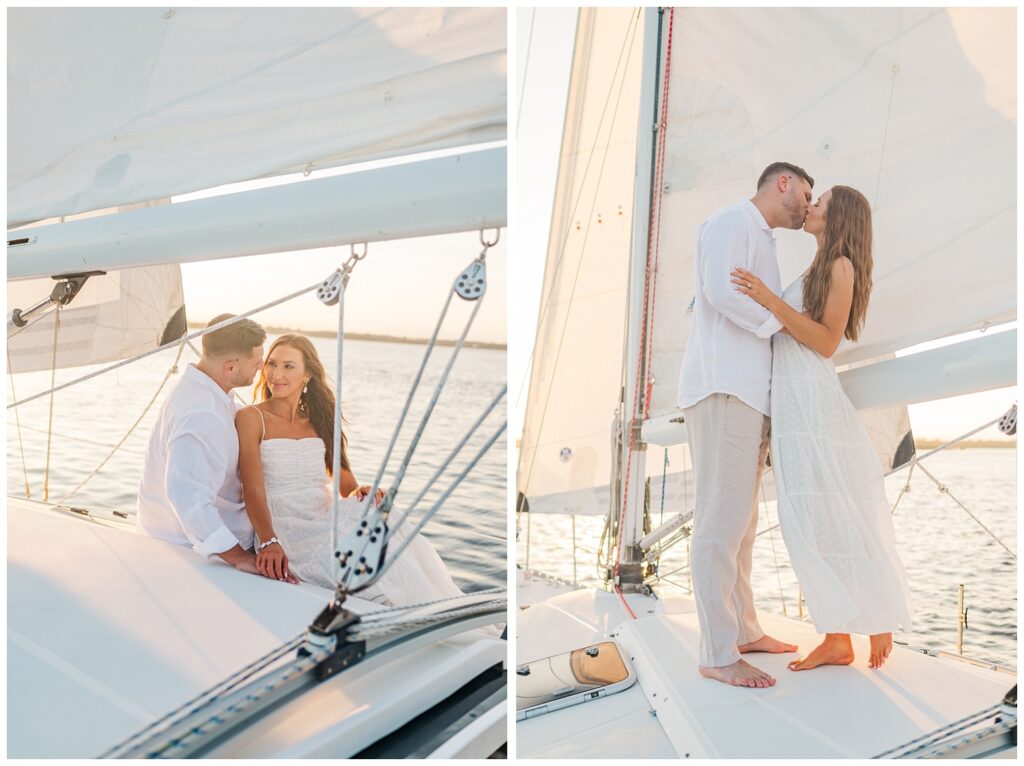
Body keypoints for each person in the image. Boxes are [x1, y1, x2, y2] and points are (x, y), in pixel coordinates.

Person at [732, 185, 913, 671]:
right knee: (809, 520)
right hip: (792, 399)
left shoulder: (840, 267)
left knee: (830, 513)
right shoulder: (819, 265)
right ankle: (837, 635)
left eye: (821, 203)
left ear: (838, 218)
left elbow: (826, 342)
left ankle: (873, 617)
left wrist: (770, 300)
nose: (810, 207)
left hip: (810, 397)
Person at [677, 162, 814, 689]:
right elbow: (718, 290)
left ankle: (744, 630)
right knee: (720, 523)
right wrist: (782, 323)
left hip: (748, 394)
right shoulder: (733, 221)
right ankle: (716, 651)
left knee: (744, 525)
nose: (808, 203)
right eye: (805, 193)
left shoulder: (762, 238)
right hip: (723, 388)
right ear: (782, 184)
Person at [235, 333, 465, 606]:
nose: (276, 374)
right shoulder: (251, 418)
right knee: (372, 546)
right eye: (272, 364)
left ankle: (435, 603)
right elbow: (252, 489)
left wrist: (360, 491)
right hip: (285, 528)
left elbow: (345, 484)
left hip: (322, 519)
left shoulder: (320, 420)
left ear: (307, 374)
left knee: (377, 508)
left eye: (288, 366)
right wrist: (268, 541)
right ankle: (417, 604)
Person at [137, 314, 295, 581]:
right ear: (231, 367)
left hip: (195, 538)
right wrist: (240, 558)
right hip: (192, 551)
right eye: (256, 361)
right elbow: (187, 497)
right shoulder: (202, 413)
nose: (261, 367)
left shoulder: (204, 389)